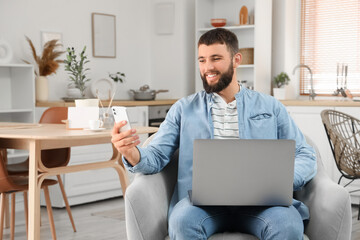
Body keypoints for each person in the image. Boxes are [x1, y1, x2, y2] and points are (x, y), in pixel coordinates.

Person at [111, 28, 317, 240]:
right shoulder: (183, 109)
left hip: (263, 204)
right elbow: (156, 156)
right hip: (202, 206)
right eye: (202, 60)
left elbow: (304, 154)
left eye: (216, 58)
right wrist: (131, 152)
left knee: (288, 223)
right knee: (182, 221)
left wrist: (281, 181)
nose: (207, 67)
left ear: (236, 60)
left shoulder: (270, 106)